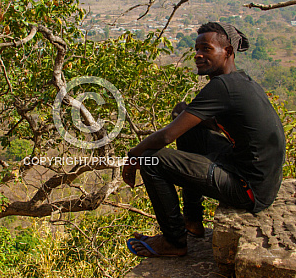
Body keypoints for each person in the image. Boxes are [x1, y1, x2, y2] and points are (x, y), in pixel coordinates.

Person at [122, 22, 285, 257]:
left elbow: (167, 135)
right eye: (197, 49)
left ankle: (173, 242)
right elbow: (203, 122)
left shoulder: (223, 87)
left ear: (228, 52)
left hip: (248, 188)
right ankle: (193, 221)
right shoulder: (239, 81)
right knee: (185, 122)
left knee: (150, 160)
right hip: (254, 174)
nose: (198, 55)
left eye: (206, 49)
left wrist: (132, 156)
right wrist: (183, 113)